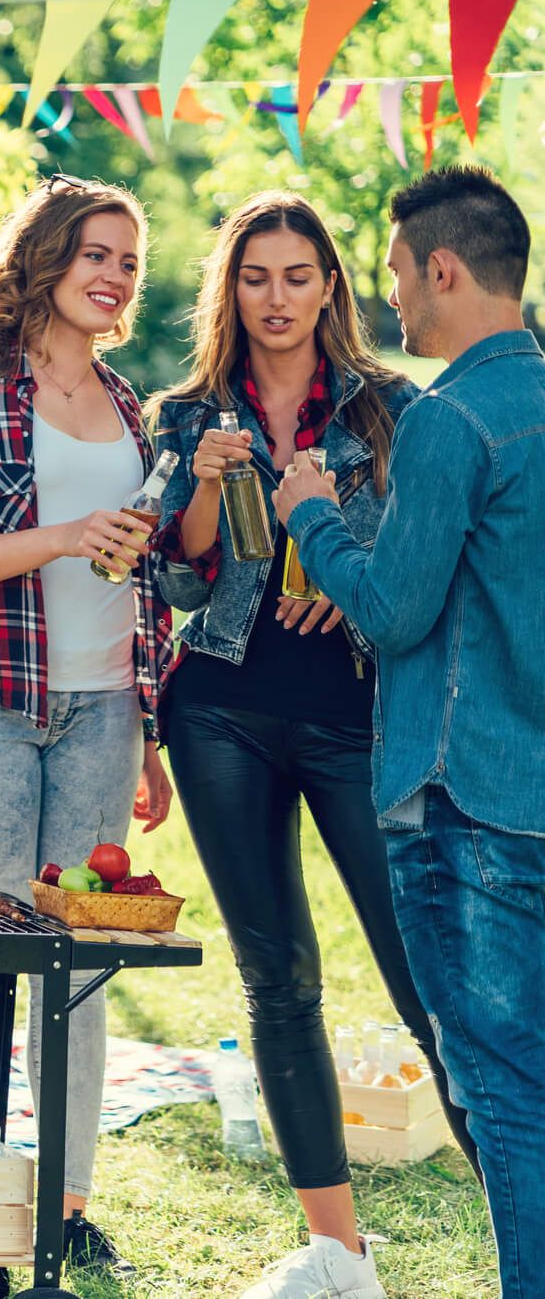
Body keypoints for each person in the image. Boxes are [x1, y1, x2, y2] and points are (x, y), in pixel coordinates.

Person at [147, 191, 472, 1299]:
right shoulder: (186, 413)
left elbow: (414, 574)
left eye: (296, 275)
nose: (275, 298)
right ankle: (338, 1256)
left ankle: (512, 1216)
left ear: (330, 284)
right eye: (253, 277)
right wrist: (200, 487)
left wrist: (343, 573)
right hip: (219, 711)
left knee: (422, 970)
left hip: (352, 717)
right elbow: (182, 581)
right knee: (275, 977)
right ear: (227, 290)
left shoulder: (392, 409)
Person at [275, 165, 545, 1299]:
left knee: (500, 1094)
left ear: (441, 266)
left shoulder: (451, 418)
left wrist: (310, 517)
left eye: (391, 273)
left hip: (460, 800)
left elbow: (388, 610)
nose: (389, 301)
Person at [0, 174, 173, 1298]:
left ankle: (59, 1210)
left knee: (80, 959)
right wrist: (60, 535)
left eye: (126, 260)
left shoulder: (129, 403)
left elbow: (145, 577)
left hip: (101, 704)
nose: (111, 277)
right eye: (93, 255)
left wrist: (147, 729)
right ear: (45, 258)